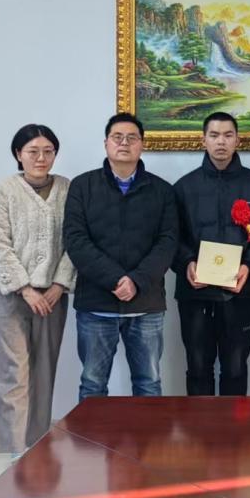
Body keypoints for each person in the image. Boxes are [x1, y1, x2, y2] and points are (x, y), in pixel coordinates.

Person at [63, 112, 178, 399]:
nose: (124, 143)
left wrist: (136, 281)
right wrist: (115, 279)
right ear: (106, 143)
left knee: (149, 383)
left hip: (146, 304)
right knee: (92, 384)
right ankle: (92, 433)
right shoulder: (82, 186)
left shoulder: (162, 190)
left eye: (132, 138)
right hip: (96, 304)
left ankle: (145, 434)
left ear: (142, 144)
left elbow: (167, 242)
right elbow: (76, 240)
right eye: (117, 137)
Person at [0, 124, 75, 456]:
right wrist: (25, 288)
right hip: (11, 296)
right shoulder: (3, 192)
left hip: (53, 297)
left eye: (48, 151)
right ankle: (14, 450)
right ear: (18, 154)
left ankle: (37, 446)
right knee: (11, 374)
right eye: (33, 151)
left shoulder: (68, 189)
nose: (41, 158)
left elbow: (76, 241)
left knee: (44, 372)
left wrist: (59, 284)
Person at [172, 112, 250, 395]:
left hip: (240, 292)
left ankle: (234, 426)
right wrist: (187, 263)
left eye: (228, 135)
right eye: (214, 135)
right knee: (197, 367)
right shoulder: (184, 187)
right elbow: (172, 237)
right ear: (203, 140)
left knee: (236, 368)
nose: (221, 142)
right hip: (195, 293)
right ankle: (199, 425)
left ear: (238, 140)